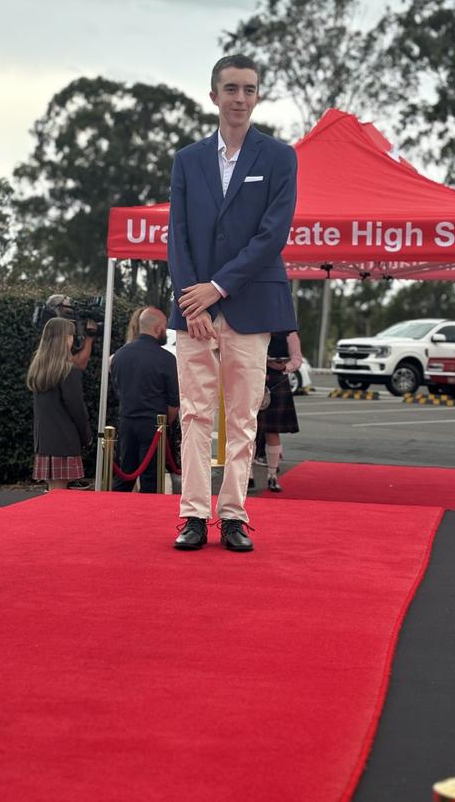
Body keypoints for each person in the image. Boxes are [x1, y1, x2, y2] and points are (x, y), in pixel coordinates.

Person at [167, 54, 298, 552]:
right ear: (214, 95)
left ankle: (234, 515)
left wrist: (216, 289)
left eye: (249, 89)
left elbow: (272, 236)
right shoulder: (187, 160)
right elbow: (176, 236)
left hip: (248, 306)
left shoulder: (280, 157)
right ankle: (193, 515)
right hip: (192, 311)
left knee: (243, 419)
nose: (240, 98)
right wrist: (194, 304)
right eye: (231, 89)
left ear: (257, 95)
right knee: (195, 415)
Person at [110, 307, 179, 493]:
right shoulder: (167, 359)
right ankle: (148, 517)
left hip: (126, 422)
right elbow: (174, 404)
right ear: (158, 328)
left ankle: (112, 513)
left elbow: (117, 391)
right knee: (151, 480)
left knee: (124, 475)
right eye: (164, 327)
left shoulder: (119, 356)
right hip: (154, 425)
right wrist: (166, 423)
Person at [27, 317, 92, 491]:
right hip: (65, 441)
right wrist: (86, 436)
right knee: (60, 496)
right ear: (64, 338)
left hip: (45, 442)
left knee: (52, 492)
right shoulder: (68, 371)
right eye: (71, 335)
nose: (73, 339)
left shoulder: (38, 369)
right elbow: (77, 409)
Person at [257, 331, 302, 492]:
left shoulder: (289, 333)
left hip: (277, 381)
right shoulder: (254, 328)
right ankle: (247, 477)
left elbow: (297, 359)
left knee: (272, 431)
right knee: (247, 431)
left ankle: (272, 477)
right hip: (253, 379)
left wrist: (285, 366)